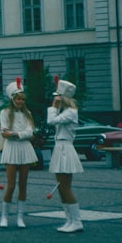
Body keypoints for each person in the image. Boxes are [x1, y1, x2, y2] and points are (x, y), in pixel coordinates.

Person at [0, 77, 37, 228]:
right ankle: (4, 216)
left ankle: (20, 217)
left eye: (22, 99)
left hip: (25, 148)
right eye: (18, 99)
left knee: (23, 184)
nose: (20, 101)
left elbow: (31, 132)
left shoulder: (28, 113)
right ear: (12, 99)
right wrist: (20, 134)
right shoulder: (5, 112)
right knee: (11, 185)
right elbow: (4, 132)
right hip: (11, 149)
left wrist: (16, 134)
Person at [48, 78, 84, 233]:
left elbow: (51, 121)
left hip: (65, 148)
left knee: (65, 187)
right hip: (60, 147)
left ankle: (76, 221)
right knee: (61, 187)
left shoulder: (70, 112)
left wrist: (53, 107)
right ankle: (69, 220)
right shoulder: (66, 112)